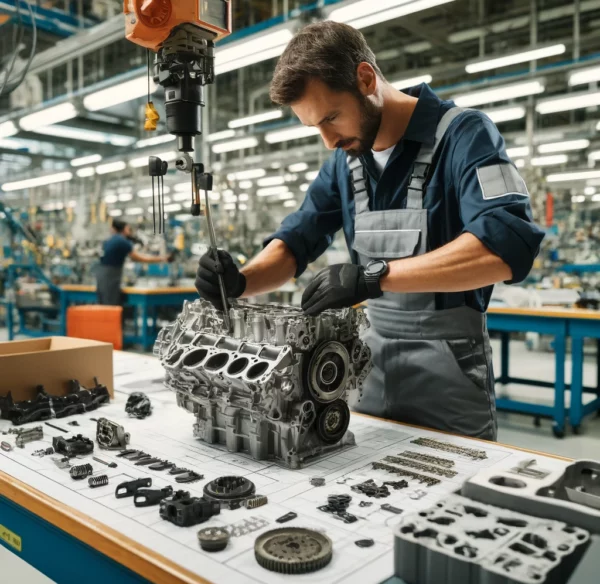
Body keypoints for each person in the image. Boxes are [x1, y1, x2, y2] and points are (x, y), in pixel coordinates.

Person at [195, 22, 545, 441]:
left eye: (331, 118)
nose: (327, 141)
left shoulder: (464, 136)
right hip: (367, 368)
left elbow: (505, 248)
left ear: (366, 79)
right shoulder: (344, 164)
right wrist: (241, 280)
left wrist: (374, 277)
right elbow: (296, 240)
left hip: (450, 371)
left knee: (456, 494)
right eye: (315, 128)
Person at [96, 219, 171, 305]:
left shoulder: (109, 240)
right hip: (110, 277)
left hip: (102, 276)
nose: (130, 231)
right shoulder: (122, 241)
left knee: (104, 304)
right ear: (124, 229)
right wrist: (161, 259)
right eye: (128, 229)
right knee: (111, 305)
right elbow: (138, 258)